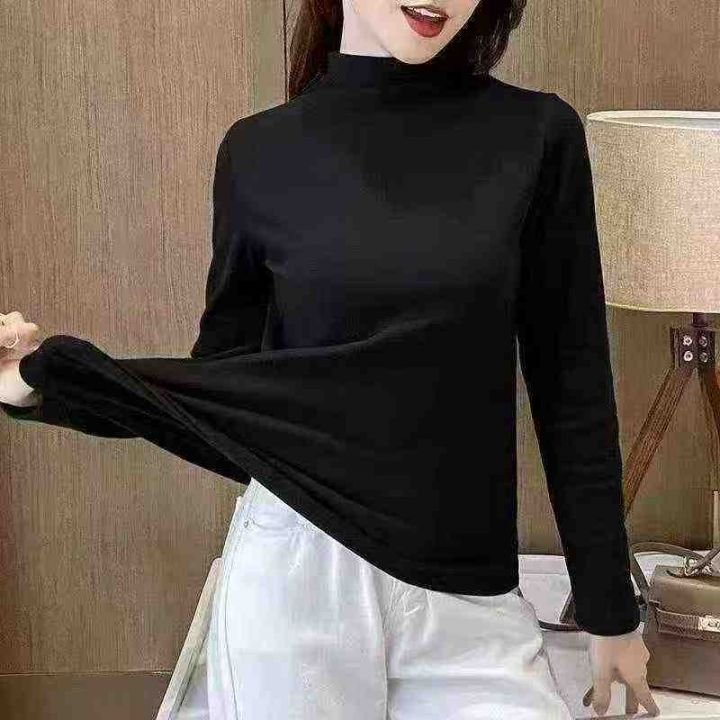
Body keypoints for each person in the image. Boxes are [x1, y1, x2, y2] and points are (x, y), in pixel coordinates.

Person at [0, 0, 660, 717]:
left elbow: (572, 385)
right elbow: (226, 406)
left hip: (468, 597)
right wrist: (46, 384)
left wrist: (608, 606)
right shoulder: (259, 152)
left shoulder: (537, 135)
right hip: (297, 573)